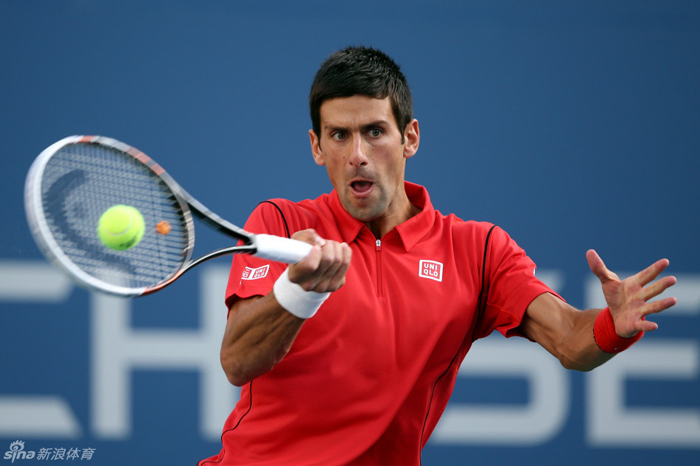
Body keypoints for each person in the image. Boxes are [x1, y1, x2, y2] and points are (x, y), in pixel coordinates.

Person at [198, 46, 677, 466]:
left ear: (410, 138)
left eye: (375, 131)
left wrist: (611, 326)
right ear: (317, 147)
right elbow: (238, 361)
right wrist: (296, 290)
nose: (358, 154)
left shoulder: (477, 250)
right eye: (339, 135)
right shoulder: (279, 223)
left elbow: (571, 340)